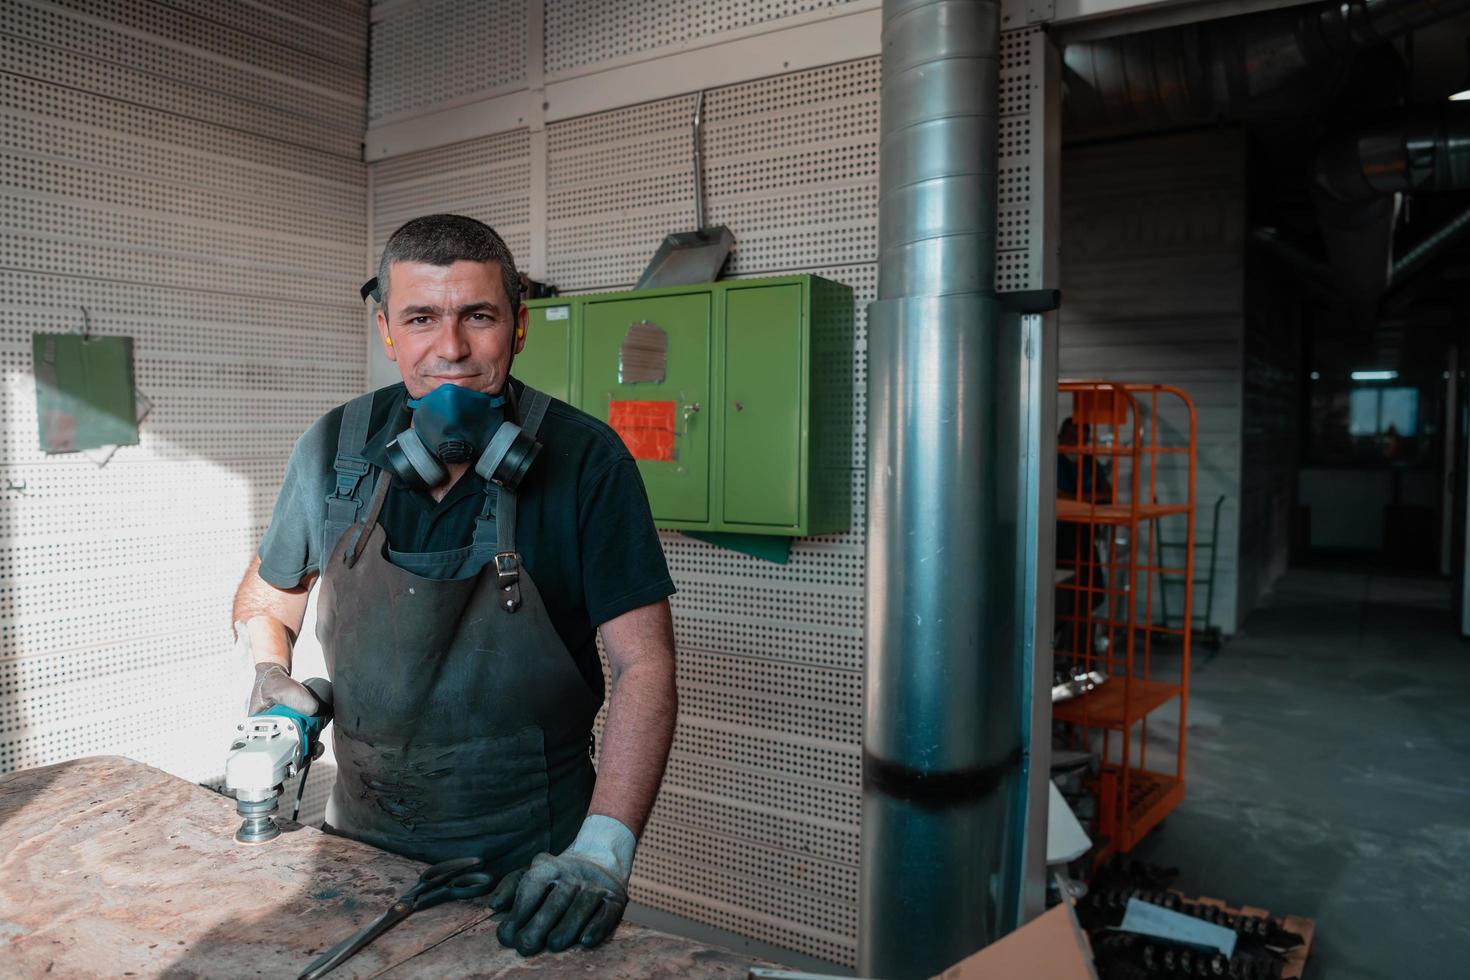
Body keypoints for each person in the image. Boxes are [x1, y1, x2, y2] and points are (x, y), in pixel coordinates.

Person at [231, 214, 677, 956]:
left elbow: (646, 665)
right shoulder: (334, 452)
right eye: (422, 318)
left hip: (534, 871)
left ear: (519, 326)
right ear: (386, 331)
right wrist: (270, 670)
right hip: (358, 854)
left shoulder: (586, 462)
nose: (452, 349)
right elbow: (268, 598)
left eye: (478, 316)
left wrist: (600, 853)